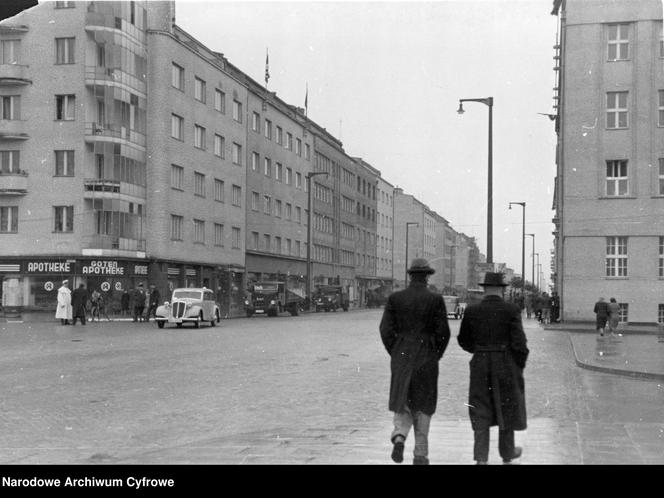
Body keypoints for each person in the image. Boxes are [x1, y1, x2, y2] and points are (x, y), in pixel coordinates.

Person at [379, 258, 451, 465]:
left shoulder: (395, 299)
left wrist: (395, 351)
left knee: (402, 400)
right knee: (424, 405)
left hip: (401, 356)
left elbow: (385, 330)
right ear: (427, 276)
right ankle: (420, 454)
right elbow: (443, 333)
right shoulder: (435, 299)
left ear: (410, 276)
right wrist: (435, 353)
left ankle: (399, 436)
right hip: (427, 356)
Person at [458, 272, 529, 465]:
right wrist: (517, 366)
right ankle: (507, 452)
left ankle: (481, 458)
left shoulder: (472, 311)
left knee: (480, 408)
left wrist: (479, 350)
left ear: (484, 289)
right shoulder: (511, 310)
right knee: (506, 406)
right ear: (502, 289)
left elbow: (463, 340)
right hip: (505, 362)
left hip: (480, 363)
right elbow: (520, 344)